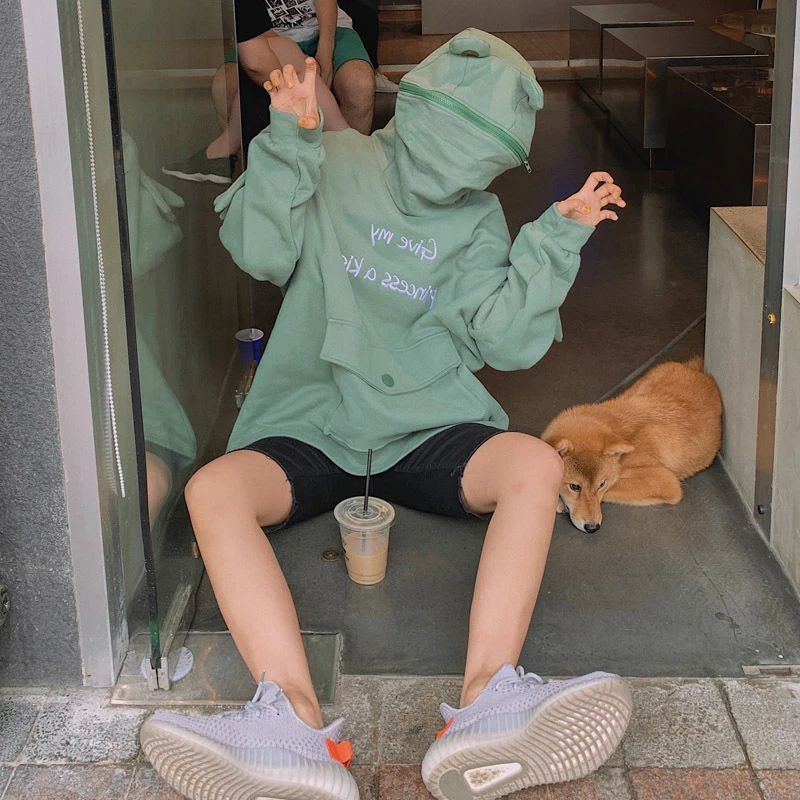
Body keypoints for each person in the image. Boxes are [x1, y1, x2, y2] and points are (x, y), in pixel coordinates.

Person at [141, 29, 631, 800]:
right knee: (212, 490)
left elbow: (503, 340)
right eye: (451, 143)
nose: (457, 171)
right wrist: (290, 137)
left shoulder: (478, 219)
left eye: (481, 160)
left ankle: (488, 698)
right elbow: (259, 250)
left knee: (537, 464)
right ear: (417, 112)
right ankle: (292, 722)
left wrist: (555, 240)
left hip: (426, 425)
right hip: (313, 419)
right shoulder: (337, 160)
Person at [162, 0, 351, 183]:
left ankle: (222, 151)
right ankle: (348, 147)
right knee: (282, 53)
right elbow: (255, 57)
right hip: (267, 40)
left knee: (284, 54)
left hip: (288, 39)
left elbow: (256, 61)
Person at [263, 0, 375, 133]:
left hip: (329, 26)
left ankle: (349, 146)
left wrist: (325, 55)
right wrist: (297, 58)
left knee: (360, 85)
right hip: (266, 38)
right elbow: (250, 25)